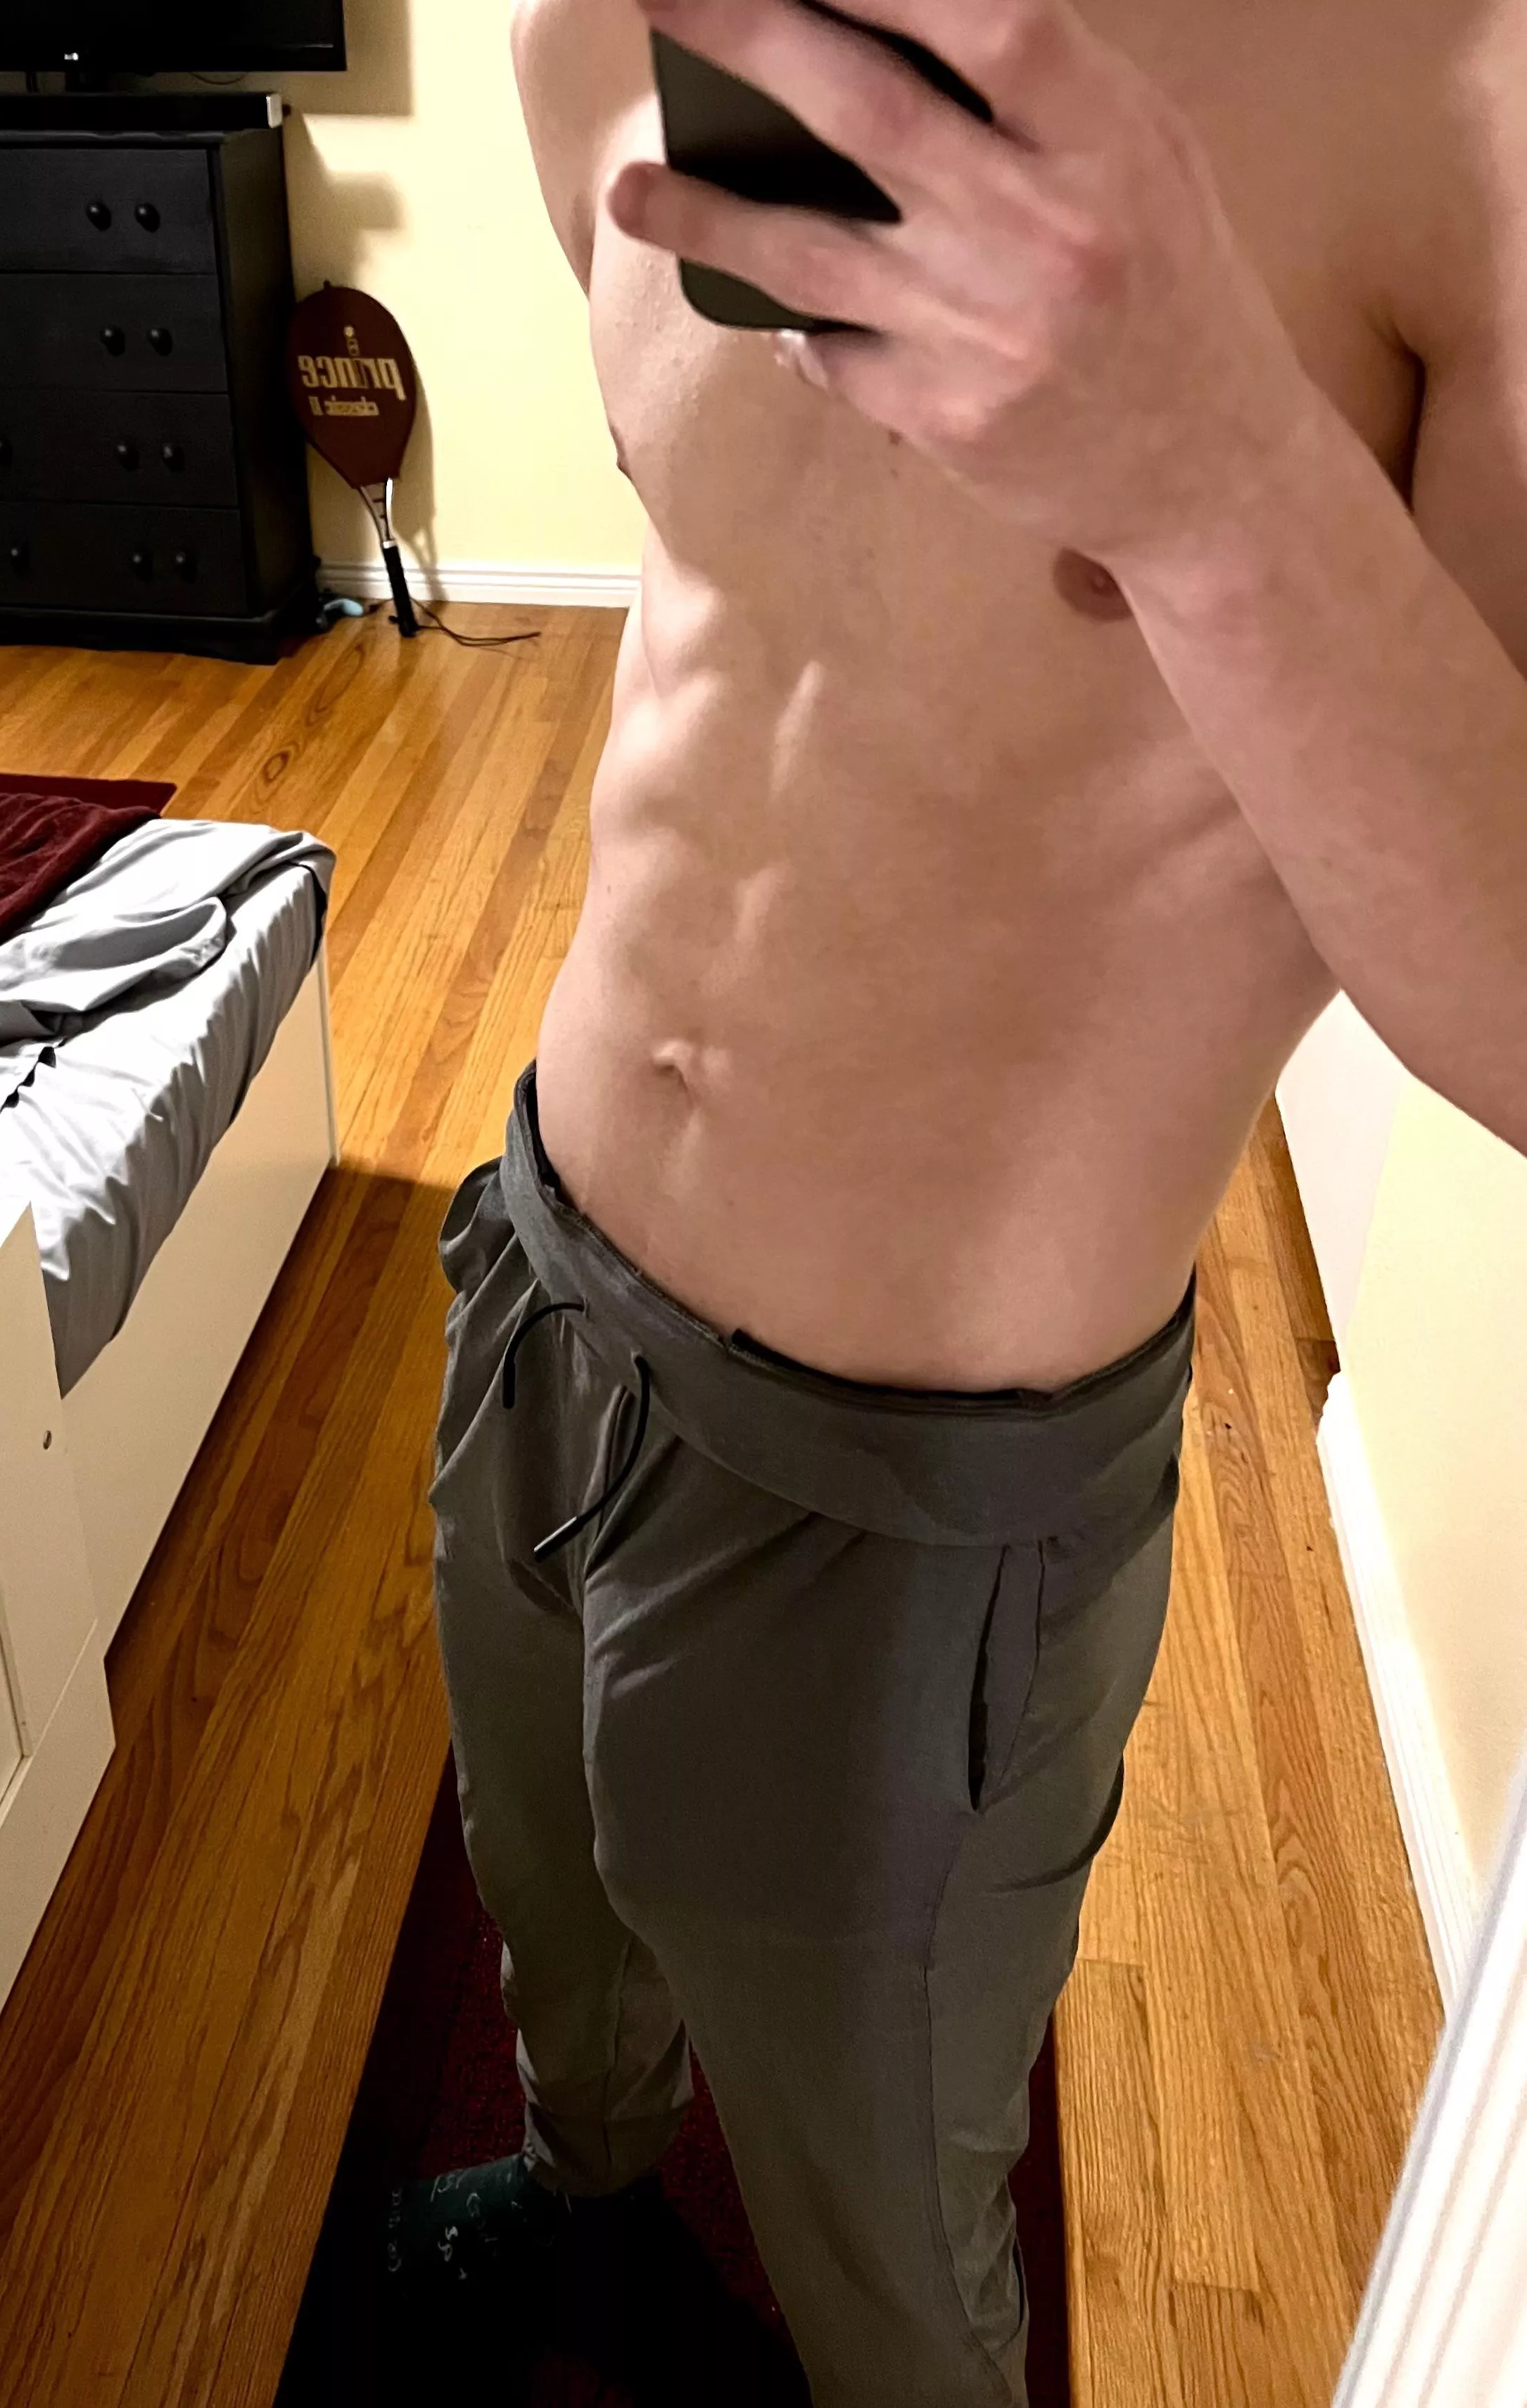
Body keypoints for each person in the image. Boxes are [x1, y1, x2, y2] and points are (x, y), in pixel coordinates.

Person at [387, 0, 1527, 2400]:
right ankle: (587, 2188)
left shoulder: (1474, 111)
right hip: (546, 1263)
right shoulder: (615, 31)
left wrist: (1222, 482)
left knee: (885, 2208)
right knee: (549, 1874)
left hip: (915, 1494)